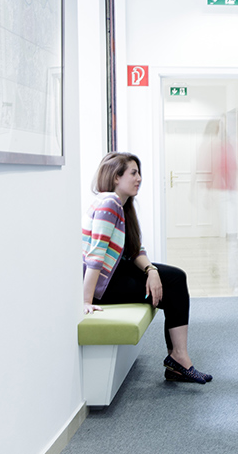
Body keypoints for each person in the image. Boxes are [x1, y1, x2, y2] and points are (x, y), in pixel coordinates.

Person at [82, 152, 212, 384]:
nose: (139, 178)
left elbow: (135, 250)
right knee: (173, 285)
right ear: (115, 177)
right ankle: (178, 361)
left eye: (138, 173)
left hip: (115, 275)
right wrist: (86, 301)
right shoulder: (109, 204)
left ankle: (178, 359)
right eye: (133, 173)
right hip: (103, 288)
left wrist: (151, 271)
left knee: (174, 277)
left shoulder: (123, 206)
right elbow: (95, 256)